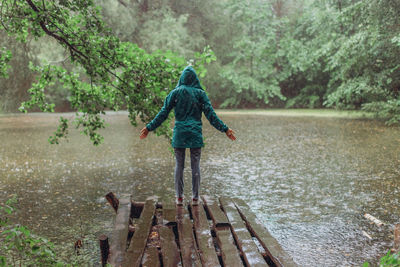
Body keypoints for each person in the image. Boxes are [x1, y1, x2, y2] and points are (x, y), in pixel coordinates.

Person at [140, 66, 236, 206]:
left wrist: (149, 127)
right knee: (195, 166)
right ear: (195, 79)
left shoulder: (174, 93)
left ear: (182, 79)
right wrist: (225, 129)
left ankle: (179, 198)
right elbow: (211, 115)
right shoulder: (200, 94)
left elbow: (163, 113)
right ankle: (195, 198)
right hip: (195, 133)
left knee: (179, 165)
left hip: (179, 133)